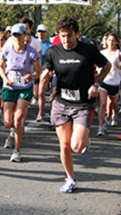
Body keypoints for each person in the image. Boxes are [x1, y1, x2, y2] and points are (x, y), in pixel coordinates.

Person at [39, 15, 111, 193]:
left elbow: (107, 65)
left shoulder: (88, 50)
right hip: (61, 103)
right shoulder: (53, 52)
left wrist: (96, 84)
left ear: (77, 34)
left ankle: (84, 139)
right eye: (62, 35)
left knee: (76, 147)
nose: (66, 39)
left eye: (69, 35)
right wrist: (44, 77)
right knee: (64, 145)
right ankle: (70, 178)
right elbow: (44, 73)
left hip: (83, 104)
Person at [0, 23, 41, 162]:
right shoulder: (7, 49)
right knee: (7, 123)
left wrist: (32, 76)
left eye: (19, 35)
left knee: (17, 120)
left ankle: (17, 150)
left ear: (25, 36)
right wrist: (5, 78)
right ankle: (13, 132)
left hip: (25, 87)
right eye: (14, 34)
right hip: (10, 87)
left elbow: (39, 72)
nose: (16, 37)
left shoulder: (31, 52)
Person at [97, 34, 121, 135]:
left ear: (116, 42)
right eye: (109, 40)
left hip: (115, 82)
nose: (111, 43)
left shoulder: (119, 53)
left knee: (111, 104)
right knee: (103, 104)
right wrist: (98, 68)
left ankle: (110, 118)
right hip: (104, 81)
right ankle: (100, 127)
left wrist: (120, 67)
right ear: (106, 42)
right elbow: (96, 64)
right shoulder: (102, 53)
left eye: (113, 41)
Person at [36, 24, 52, 122]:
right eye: (39, 31)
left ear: (46, 32)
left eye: (42, 31)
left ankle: (40, 113)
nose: (41, 33)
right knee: (35, 93)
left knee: (41, 93)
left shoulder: (50, 45)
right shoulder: (34, 43)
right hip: (34, 70)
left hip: (44, 71)